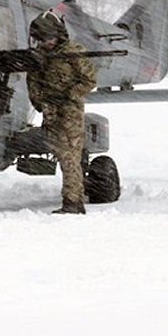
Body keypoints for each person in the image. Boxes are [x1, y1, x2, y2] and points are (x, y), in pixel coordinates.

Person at [26, 11, 97, 214]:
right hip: (50, 111)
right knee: (60, 153)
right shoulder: (40, 55)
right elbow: (33, 80)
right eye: (42, 39)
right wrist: (40, 101)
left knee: (69, 157)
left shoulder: (73, 51)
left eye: (49, 38)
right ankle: (73, 197)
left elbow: (89, 81)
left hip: (69, 112)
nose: (46, 43)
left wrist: (69, 95)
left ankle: (73, 202)